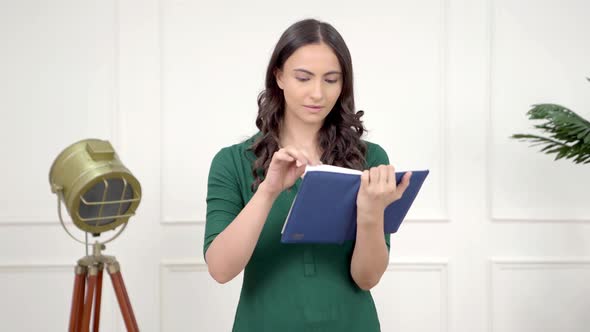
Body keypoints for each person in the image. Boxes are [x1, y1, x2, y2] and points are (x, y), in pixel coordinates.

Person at [204, 18, 412, 332]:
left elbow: (367, 278)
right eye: (304, 78)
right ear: (279, 76)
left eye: (331, 80)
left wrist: (370, 213)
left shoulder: (370, 159)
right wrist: (268, 190)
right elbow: (220, 270)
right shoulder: (232, 162)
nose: (317, 93)